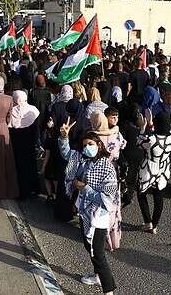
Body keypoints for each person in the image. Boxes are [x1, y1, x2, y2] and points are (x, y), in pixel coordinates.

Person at [59, 123, 117, 295]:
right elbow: (67, 154)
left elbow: (106, 199)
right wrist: (63, 137)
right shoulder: (81, 159)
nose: (87, 148)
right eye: (85, 145)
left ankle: (109, 290)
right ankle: (97, 276)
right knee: (88, 245)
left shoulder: (106, 167)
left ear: (99, 144)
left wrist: (84, 188)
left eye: (90, 144)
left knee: (97, 253)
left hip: (98, 215)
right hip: (85, 212)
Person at [89, 111, 126, 251]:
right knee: (113, 207)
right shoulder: (114, 136)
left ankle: (100, 238)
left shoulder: (92, 139)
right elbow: (122, 147)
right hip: (112, 176)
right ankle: (114, 237)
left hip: (96, 178)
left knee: (98, 208)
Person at [136, 112, 171, 234]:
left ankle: (148, 221)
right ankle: (155, 224)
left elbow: (139, 142)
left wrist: (143, 128)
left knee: (141, 193)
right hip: (163, 167)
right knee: (159, 196)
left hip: (149, 167)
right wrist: (152, 125)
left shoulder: (151, 139)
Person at [9, 90, 41, 199]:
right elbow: (36, 131)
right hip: (30, 145)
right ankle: (35, 189)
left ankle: (22, 192)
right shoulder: (33, 110)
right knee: (31, 166)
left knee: (20, 168)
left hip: (17, 145)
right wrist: (36, 143)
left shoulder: (11, 112)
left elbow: (10, 128)